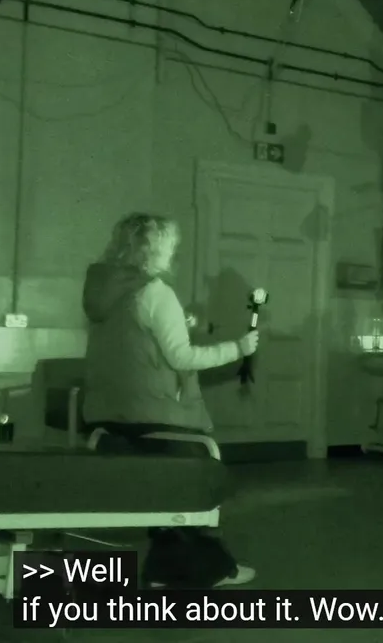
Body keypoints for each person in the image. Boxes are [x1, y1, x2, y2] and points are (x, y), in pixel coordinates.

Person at [82, 212, 259, 588]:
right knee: (193, 484)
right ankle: (214, 569)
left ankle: (162, 571)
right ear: (153, 249)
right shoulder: (155, 292)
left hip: (107, 417)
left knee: (162, 491)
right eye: (171, 246)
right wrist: (239, 348)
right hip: (154, 415)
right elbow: (182, 358)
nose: (174, 253)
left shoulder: (104, 292)